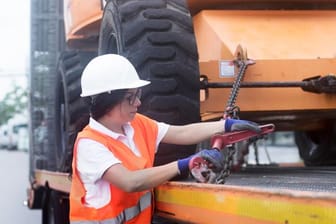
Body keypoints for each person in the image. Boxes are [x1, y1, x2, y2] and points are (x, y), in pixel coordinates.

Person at [69, 54, 261, 224]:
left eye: (138, 95)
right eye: (131, 97)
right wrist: (186, 163)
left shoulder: (136, 124)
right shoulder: (90, 143)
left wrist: (226, 126)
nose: (138, 102)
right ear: (107, 100)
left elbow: (182, 133)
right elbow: (130, 181)